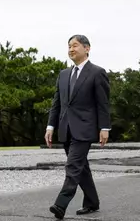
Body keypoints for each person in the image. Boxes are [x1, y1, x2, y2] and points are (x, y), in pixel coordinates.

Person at [45, 35, 111, 220]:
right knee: (81, 168)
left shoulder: (97, 72)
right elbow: (57, 103)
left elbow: (103, 104)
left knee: (73, 166)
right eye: (69, 46)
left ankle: (60, 204)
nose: (71, 49)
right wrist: (51, 126)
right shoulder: (63, 74)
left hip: (85, 128)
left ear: (87, 48)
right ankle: (92, 202)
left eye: (75, 45)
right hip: (65, 127)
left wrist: (104, 128)